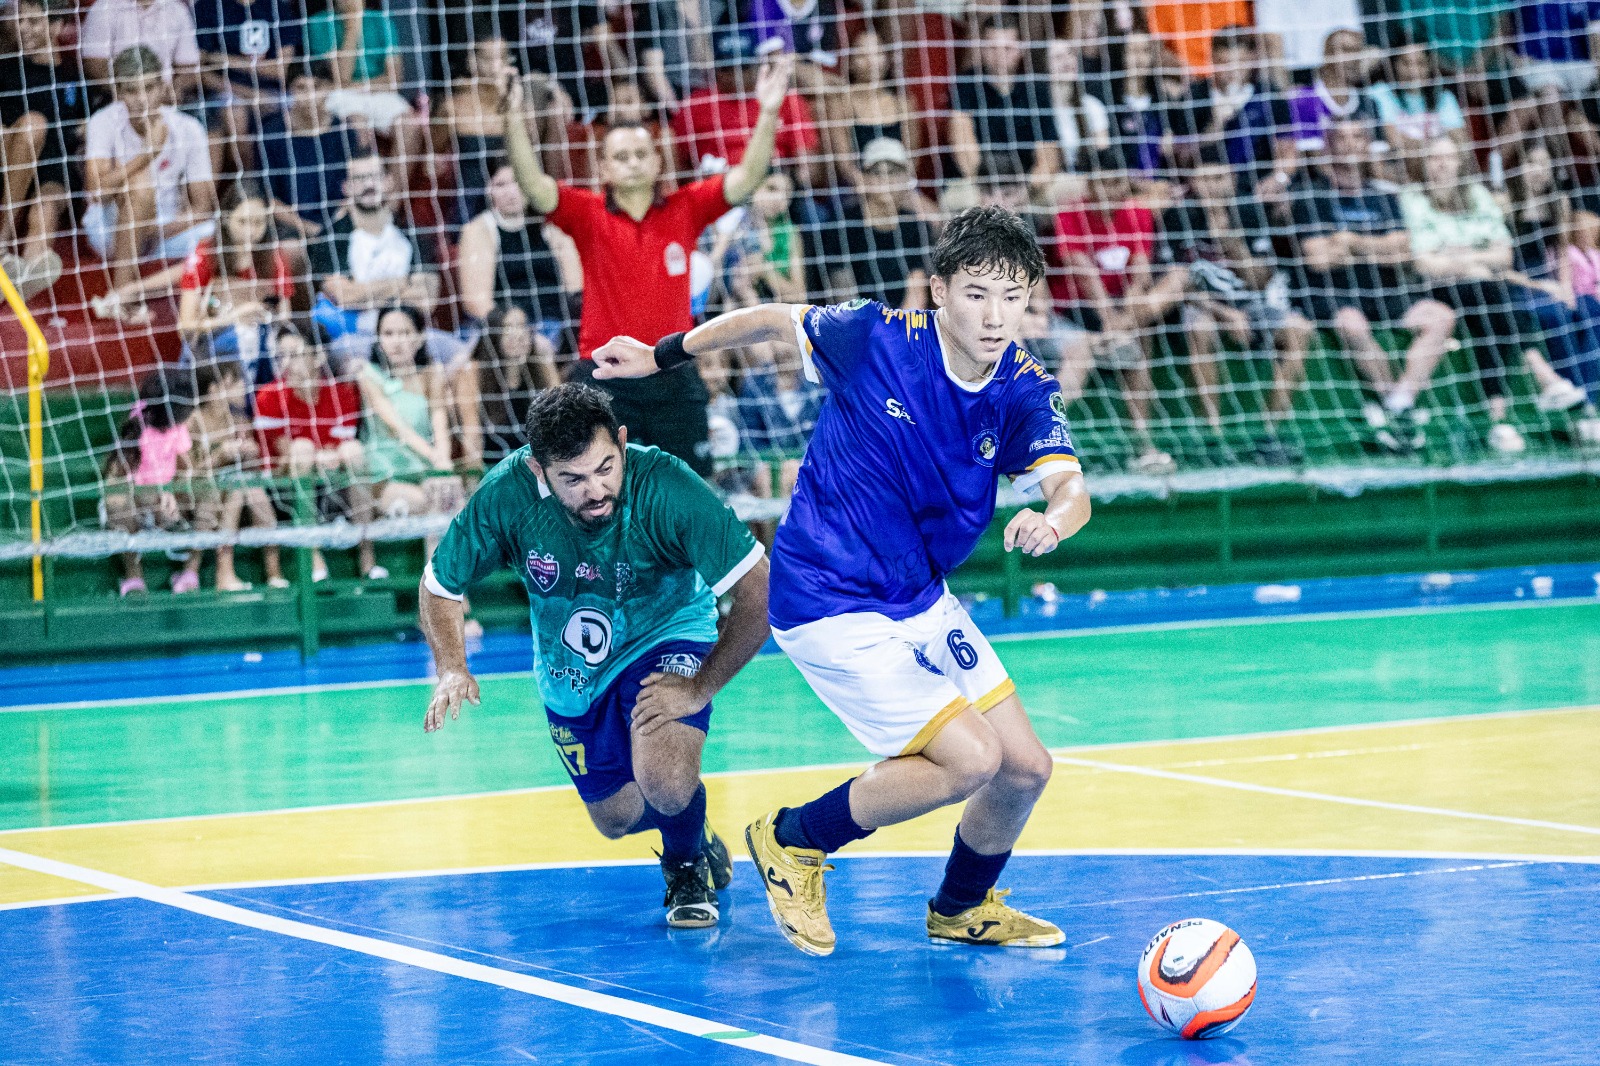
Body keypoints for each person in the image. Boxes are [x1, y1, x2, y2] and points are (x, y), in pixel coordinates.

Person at [590, 206, 1091, 955]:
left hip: (917, 597)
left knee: (1023, 768)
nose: (995, 317)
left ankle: (962, 907)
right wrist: (663, 355)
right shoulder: (876, 336)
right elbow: (766, 319)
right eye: (978, 294)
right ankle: (794, 840)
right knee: (972, 759)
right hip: (827, 598)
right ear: (939, 289)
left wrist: (1053, 518)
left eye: (1012, 297)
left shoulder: (1021, 386)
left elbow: (1072, 487)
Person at [418, 383, 771, 929]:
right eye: (573, 480)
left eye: (606, 467)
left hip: (667, 632)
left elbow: (760, 588)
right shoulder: (508, 496)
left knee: (666, 779)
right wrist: (451, 667)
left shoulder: (667, 486)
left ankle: (684, 866)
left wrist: (701, 684)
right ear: (538, 469)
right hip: (573, 671)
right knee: (616, 817)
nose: (596, 489)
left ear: (622, 443)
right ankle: (692, 831)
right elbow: (439, 584)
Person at [504, 50, 796, 476]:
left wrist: (768, 110)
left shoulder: (686, 208)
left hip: (672, 373)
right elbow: (533, 185)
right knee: (607, 496)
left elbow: (747, 178)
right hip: (604, 377)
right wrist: (512, 120)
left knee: (688, 491)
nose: (633, 163)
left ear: (658, 160)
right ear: (602, 167)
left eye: (641, 154)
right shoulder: (586, 214)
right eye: (620, 157)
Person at [1289, 121, 1457, 454]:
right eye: (1342, 138)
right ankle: (1397, 406)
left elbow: (1403, 251)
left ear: (1367, 145)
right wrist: (1378, 247)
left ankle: (1399, 402)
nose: (1351, 145)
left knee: (1440, 317)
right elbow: (1317, 259)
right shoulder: (1311, 196)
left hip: (1385, 292)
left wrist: (1350, 243)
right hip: (1335, 295)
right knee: (1351, 324)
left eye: (1358, 137)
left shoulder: (1383, 195)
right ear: (1328, 147)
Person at [1156, 151, 1314, 464]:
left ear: (1232, 179)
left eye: (1219, 178)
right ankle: (1212, 437)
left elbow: (1260, 280)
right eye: (1204, 179)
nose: (1212, 186)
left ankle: (1268, 434)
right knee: (1199, 327)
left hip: (1247, 302)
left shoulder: (1250, 212)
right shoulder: (1177, 216)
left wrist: (1233, 242)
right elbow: (1175, 285)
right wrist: (1226, 314)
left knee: (1300, 329)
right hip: (1200, 304)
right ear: (1193, 183)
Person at [1400, 137, 1544, 454]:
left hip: (1479, 286)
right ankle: (1541, 379)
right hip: (1434, 289)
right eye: (1434, 158)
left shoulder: (1477, 195)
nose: (1441, 164)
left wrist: (1458, 257)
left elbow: (1505, 256)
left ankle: (1498, 419)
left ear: (1460, 163)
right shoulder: (1412, 198)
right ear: (1424, 163)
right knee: (1495, 297)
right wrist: (1475, 258)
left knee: (1490, 316)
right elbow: (1423, 263)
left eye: (1448, 158)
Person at [1052, 152, 1182, 474]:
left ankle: (1143, 447)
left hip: (1121, 307)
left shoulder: (1137, 212)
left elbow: (1140, 269)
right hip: (1074, 309)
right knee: (1133, 348)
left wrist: (1125, 315)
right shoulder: (1069, 215)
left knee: (1170, 291)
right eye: (1106, 183)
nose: (1113, 191)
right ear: (1090, 185)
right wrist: (1111, 319)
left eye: (1118, 183)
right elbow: (1083, 276)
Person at [83, 46, 219, 323]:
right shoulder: (102, 122)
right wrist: (148, 154)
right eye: (132, 91)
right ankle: (122, 296)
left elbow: (203, 206)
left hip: (164, 230)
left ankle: (201, 305)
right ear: (119, 92)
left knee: (217, 235)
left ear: (163, 86)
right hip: (109, 226)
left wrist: (151, 231)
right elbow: (96, 192)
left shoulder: (188, 128)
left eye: (149, 88)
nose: (142, 99)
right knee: (140, 184)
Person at [457, 159, 570, 468]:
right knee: (467, 362)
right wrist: (519, 331)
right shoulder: (480, 229)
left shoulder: (553, 227)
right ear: (488, 190)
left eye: (517, 182)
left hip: (553, 324)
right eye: (501, 184)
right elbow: (475, 302)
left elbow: (576, 288)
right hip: (500, 325)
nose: (510, 192)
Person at [253, 324, 378, 582]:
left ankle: (368, 558)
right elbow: (284, 452)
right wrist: (320, 454)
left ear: (318, 356)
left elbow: (341, 447)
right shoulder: (268, 396)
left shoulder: (342, 394)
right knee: (302, 449)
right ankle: (312, 554)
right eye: (281, 356)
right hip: (285, 491)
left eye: (295, 354)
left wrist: (326, 455)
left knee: (354, 450)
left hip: (334, 486)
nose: (286, 363)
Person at [0, 0, 88, 301]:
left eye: (33, 22)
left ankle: (22, 280)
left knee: (47, 207)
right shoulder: (6, 69)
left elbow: (81, 129)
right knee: (34, 125)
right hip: (11, 163)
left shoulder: (74, 78)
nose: (23, 28)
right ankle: (1, 243)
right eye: (21, 21)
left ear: (56, 26)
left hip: (52, 167)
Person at [355, 304, 464, 539]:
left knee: (455, 496)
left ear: (419, 337)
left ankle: (452, 575)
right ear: (378, 338)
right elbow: (398, 428)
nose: (397, 341)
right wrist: (436, 457)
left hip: (424, 472)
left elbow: (439, 419)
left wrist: (443, 464)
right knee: (431, 503)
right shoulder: (368, 374)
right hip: (385, 478)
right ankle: (433, 575)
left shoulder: (431, 372)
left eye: (405, 333)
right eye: (388, 334)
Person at [103, 366, 207, 596]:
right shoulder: (137, 424)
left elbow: (185, 467)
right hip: (137, 500)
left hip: (167, 498)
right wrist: (156, 493)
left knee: (208, 493)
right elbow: (120, 477)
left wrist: (173, 490)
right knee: (117, 501)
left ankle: (190, 572)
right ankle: (134, 577)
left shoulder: (178, 428)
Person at [177, 185, 296, 377]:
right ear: (225, 219)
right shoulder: (205, 255)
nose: (251, 231)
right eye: (243, 222)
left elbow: (285, 318)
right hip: (211, 343)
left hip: (263, 341)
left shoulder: (274, 257)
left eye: (259, 222)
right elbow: (185, 328)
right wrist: (233, 317)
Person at [188, 361, 287, 591]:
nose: (245, 387)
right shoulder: (194, 422)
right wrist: (220, 455)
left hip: (239, 496)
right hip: (204, 499)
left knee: (249, 488)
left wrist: (250, 453)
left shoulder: (240, 422)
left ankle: (273, 572)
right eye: (238, 383)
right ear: (215, 389)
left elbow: (254, 469)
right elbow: (190, 475)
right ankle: (223, 572)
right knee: (238, 489)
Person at [948, 15, 1061, 200]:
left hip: (1027, 184)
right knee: (964, 199)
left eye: (1007, 48)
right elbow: (963, 146)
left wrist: (1026, 190)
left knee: (1071, 188)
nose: (1000, 55)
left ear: (1021, 49)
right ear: (982, 50)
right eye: (993, 48)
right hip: (977, 185)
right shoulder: (966, 85)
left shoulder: (1036, 90)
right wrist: (989, 193)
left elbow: (1048, 154)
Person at [825, 137, 933, 308]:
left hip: (902, 327)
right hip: (855, 325)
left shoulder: (917, 227)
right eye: (877, 172)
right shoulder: (841, 226)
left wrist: (898, 331)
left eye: (893, 172)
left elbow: (916, 293)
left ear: (906, 177)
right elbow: (843, 292)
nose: (886, 179)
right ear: (863, 178)